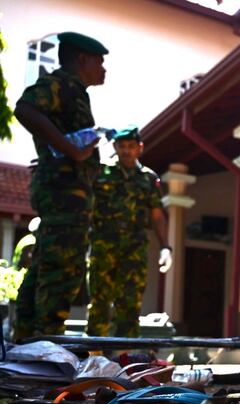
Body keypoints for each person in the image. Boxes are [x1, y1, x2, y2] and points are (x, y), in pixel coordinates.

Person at [13, 32, 108, 340]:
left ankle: (26, 339)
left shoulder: (77, 92)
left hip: (67, 194)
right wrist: (70, 149)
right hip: (63, 195)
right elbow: (25, 108)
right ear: (82, 59)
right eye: (100, 62)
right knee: (63, 268)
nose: (104, 69)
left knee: (46, 264)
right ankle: (48, 342)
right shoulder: (63, 85)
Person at [86, 127, 172, 337]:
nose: (126, 151)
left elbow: (157, 215)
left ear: (139, 148)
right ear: (115, 147)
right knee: (100, 302)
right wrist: (85, 242)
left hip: (134, 250)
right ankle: (95, 358)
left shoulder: (148, 178)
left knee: (130, 303)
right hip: (103, 246)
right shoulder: (101, 172)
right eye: (122, 146)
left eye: (131, 146)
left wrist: (165, 247)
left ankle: (125, 355)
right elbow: (88, 209)